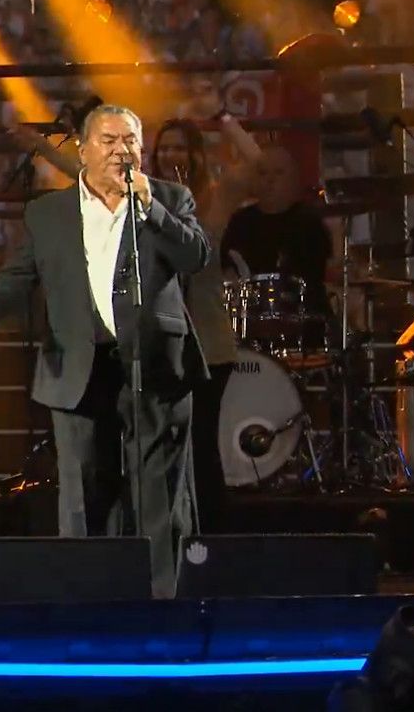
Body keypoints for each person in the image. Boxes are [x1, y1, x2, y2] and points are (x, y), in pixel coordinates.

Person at [0, 104, 210, 598]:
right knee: (83, 489)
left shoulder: (171, 199)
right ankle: (88, 597)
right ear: (84, 149)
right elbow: (23, 272)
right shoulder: (49, 212)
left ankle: (160, 604)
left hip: (155, 364)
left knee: (157, 490)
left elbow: (194, 256)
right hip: (79, 363)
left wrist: (150, 208)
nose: (122, 151)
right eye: (110, 140)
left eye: (131, 141)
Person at [151, 115, 261, 534]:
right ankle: (170, 537)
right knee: (163, 446)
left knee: (200, 444)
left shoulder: (214, 198)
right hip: (163, 342)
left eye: (180, 147)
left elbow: (254, 160)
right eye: (165, 148)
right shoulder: (145, 201)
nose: (171, 155)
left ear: (196, 154)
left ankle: (210, 540)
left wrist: (227, 122)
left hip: (208, 342)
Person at [219, 145, 333, 316]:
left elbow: (321, 273)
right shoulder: (240, 221)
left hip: (304, 316)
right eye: (263, 173)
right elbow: (226, 266)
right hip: (251, 314)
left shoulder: (309, 223)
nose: (270, 180)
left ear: (295, 179)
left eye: (278, 173)